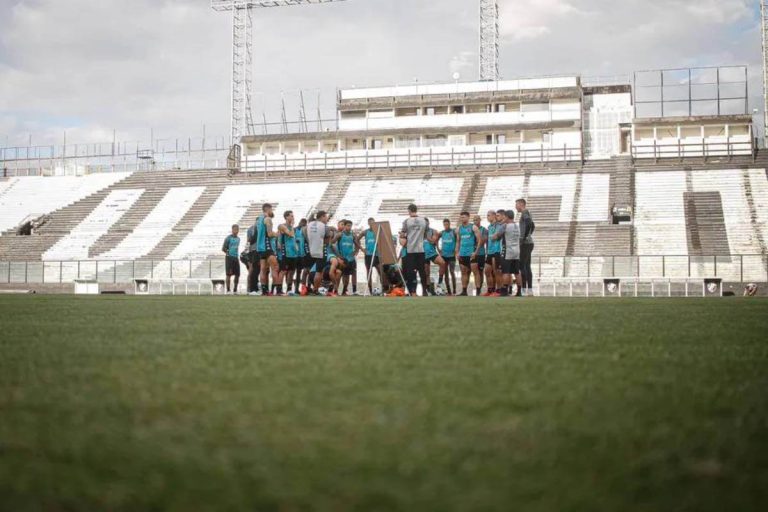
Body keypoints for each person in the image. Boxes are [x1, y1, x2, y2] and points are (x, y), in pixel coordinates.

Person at [491, 209, 523, 297]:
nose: (503, 218)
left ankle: (504, 290)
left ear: (507, 217)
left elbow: (495, 237)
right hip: (516, 251)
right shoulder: (517, 225)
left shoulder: (505, 226)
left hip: (507, 251)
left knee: (505, 271)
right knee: (517, 271)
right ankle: (519, 291)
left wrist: (492, 237)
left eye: (504, 216)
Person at [400, 203, 429, 296]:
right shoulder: (424, 221)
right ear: (416, 210)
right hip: (420, 249)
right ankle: (424, 291)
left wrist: (402, 235)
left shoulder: (406, 221)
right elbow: (426, 234)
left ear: (409, 211)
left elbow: (403, 235)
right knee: (422, 271)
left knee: (410, 272)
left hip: (411, 250)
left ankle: (412, 291)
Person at [455, 211, 482, 296]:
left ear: (468, 217)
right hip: (462, 254)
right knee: (464, 272)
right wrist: (457, 253)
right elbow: (458, 242)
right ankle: (464, 291)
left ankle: (478, 291)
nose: (462, 218)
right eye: (461, 217)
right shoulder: (459, 229)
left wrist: (475, 252)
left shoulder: (473, 227)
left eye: (464, 217)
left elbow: (479, 241)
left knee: (475, 272)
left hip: (471, 254)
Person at [358, 217, 387, 294]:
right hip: (368, 255)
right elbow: (356, 239)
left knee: (381, 271)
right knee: (369, 272)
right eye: (370, 223)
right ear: (368, 223)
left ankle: (384, 288)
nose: (372, 224)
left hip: (377, 255)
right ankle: (370, 290)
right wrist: (362, 249)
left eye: (373, 223)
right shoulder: (365, 232)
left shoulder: (377, 231)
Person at [256, 203, 280, 295]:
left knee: (263, 269)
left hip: (260, 247)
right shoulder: (268, 219)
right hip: (267, 246)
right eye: (271, 209)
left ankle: (264, 291)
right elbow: (269, 234)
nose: (272, 211)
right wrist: (277, 234)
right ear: (268, 209)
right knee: (275, 267)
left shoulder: (259, 219)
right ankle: (278, 291)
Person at [306, 210, 331, 294]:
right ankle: (315, 289)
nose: (327, 218)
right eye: (326, 216)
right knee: (319, 272)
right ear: (322, 216)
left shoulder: (309, 225)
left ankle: (306, 287)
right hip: (320, 250)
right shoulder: (324, 226)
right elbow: (327, 241)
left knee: (308, 270)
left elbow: (306, 236)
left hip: (310, 250)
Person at [278, 210, 300, 296]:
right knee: (283, 271)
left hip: (293, 253)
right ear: (286, 217)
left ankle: (289, 290)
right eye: (291, 216)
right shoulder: (282, 226)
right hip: (285, 252)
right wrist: (292, 225)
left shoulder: (292, 228)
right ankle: (279, 290)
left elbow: (293, 239)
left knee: (291, 271)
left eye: (293, 216)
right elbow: (290, 234)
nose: (292, 217)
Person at [423, 218, 447, 295]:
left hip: (432, 253)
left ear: (428, 223)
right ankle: (429, 290)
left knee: (442, 263)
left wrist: (426, 236)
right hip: (423, 254)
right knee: (426, 273)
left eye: (426, 223)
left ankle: (439, 283)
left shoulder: (433, 231)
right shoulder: (419, 232)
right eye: (423, 223)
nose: (425, 225)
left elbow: (433, 241)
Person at [516, 198, 535, 297]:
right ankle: (530, 289)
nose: (515, 207)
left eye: (516, 204)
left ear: (521, 204)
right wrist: (529, 234)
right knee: (527, 266)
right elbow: (533, 225)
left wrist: (524, 237)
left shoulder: (524, 213)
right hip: (529, 243)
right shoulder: (527, 213)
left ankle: (523, 289)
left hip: (526, 243)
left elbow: (529, 223)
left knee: (522, 265)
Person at [337, 220, 360, 295]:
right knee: (343, 275)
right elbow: (333, 243)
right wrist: (338, 255)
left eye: (350, 226)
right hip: (343, 259)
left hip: (351, 259)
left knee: (354, 273)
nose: (349, 227)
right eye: (348, 225)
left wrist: (356, 251)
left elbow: (357, 243)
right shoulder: (340, 235)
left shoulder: (352, 235)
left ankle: (354, 290)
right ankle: (337, 290)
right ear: (344, 226)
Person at [483, 210, 503, 296]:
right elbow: (489, 240)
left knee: (496, 272)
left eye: (489, 215)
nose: (488, 217)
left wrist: (494, 237)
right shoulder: (489, 227)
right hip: (490, 251)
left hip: (497, 251)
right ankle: (490, 290)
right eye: (487, 216)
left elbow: (496, 237)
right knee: (487, 271)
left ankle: (499, 290)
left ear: (494, 216)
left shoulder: (499, 225)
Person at [439, 218, 457, 295]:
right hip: (444, 255)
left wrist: (456, 250)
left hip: (452, 255)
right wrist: (438, 249)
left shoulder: (453, 232)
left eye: (447, 224)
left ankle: (454, 290)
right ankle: (449, 290)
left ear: (449, 224)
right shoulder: (442, 233)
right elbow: (435, 239)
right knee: (445, 273)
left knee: (452, 272)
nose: (446, 226)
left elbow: (458, 240)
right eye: (444, 224)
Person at [221, 224, 241, 294]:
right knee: (228, 274)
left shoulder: (238, 239)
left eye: (237, 229)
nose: (236, 231)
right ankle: (228, 290)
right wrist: (228, 252)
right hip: (229, 258)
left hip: (236, 258)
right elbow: (223, 248)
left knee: (237, 274)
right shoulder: (228, 238)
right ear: (232, 230)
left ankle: (235, 290)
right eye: (235, 229)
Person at [473, 214, 488, 296]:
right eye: (474, 220)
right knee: (475, 272)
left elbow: (483, 241)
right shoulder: (472, 229)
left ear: (480, 220)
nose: (475, 221)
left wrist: (478, 240)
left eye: (477, 220)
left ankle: (479, 289)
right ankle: (477, 288)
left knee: (480, 271)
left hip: (481, 253)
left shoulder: (484, 230)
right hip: (472, 253)